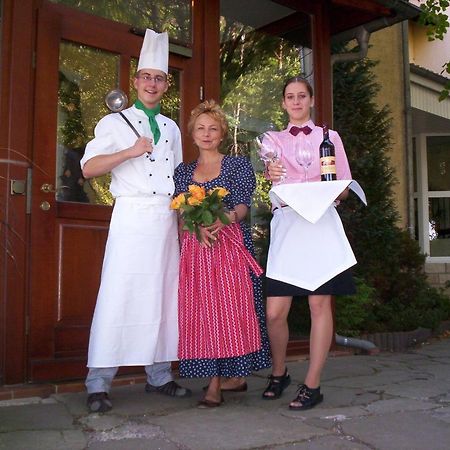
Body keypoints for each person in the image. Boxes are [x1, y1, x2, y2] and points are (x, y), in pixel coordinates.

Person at [80, 29, 191, 413]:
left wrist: (181, 219)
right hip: (130, 217)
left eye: (159, 78)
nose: (152, 84)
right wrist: (130, 150)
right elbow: (89, 167)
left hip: (164, 219)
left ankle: (159, 375)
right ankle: (98, 382)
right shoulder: (115, 123)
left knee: (162, 295)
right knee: (119, 293)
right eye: (146, 77)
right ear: (136, 81)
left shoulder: (174, 128)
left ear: (166, 85)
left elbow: (178, 178)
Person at [262, 76, 355, 410]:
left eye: (302, 96)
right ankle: (280, 371)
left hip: (321, 226)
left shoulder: (330, 138)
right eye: (290, 96)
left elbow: (343, 188)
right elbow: (270, 177)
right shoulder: (271, 140)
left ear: (311, 100)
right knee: (275, 312)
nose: (296, 101)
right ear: (284, 103)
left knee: (319, 305)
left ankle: (313, 384)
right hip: (288, 227)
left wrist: (326, 187)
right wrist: (270, 172)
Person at [173, 100, 271, 408]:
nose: (206, 134)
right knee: (204, 315)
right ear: (192, 133)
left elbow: (243, 204)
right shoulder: (183, 172)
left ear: (222, 133)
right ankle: (214, 381)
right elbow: (180, 212)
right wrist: (193, 228)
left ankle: (228, 379)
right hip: (197, 251)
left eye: (213, 128)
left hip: (229, 248)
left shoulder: (237, 165)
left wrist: (222, 219)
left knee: (228, 314)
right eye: (200, 128)